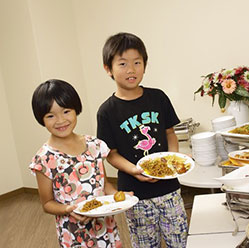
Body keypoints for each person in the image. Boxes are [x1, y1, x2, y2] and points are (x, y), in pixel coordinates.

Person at [97, 32, 188, 248]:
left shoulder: (158, 97)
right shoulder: (106, 111)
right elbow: (111, 154)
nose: (131, 69)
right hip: (134, 194)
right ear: (108, 68)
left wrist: (172, 160)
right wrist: (135, 170)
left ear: (144, 65)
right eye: (122, 63)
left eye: (137, 62)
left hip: (169, 187)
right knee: (145, 243)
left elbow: (169, 133)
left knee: (180, 240)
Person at [29, 79, 122, 248]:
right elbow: (47, 203)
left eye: (66, 111)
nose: (60, 120)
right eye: (50, 115)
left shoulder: (94, 144)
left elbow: (105, 183)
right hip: (74, 234)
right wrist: (69, 209)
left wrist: (119, 197)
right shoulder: (44, 158)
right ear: (41, 119)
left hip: (104, 226)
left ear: (76, 110)